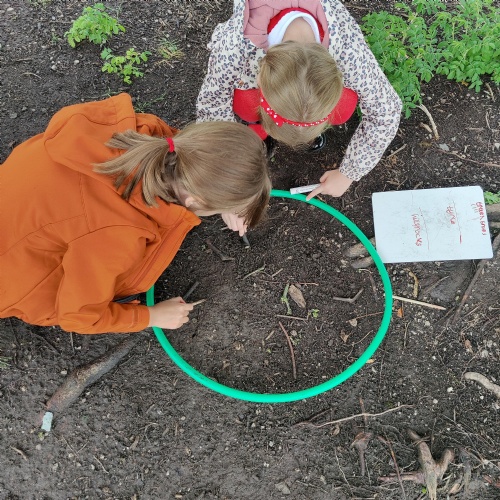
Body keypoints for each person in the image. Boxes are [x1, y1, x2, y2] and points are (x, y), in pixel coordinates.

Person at [0, 93, 271, 335]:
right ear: (194, 199)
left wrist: (227, 195)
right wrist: (151, 316)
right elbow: (79, 318)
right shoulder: (115, 235)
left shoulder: (143, 133)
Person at [197, 0, 403, 233]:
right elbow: (212, 107)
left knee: (345, 106)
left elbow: (386, 110)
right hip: (249, 53)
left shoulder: (349, 52)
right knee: (245, 104)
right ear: (259, 78)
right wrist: (228, 191)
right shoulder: (236, 49)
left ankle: (266, 126)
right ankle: (256, 127)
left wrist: (349, 173)